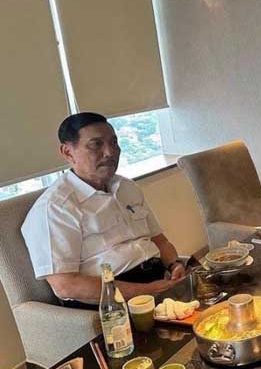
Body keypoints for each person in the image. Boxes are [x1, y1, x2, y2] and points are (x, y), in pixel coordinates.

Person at [22, 112, 188, 307]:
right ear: (68, 152)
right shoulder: (55, 208)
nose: (110, 152)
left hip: (158, 281)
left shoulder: (126, 187)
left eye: (114, 142)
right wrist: (146, 291)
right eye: (96, 144)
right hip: (110, 301)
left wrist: (174, 264)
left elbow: (160, 241)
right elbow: (66, 285)